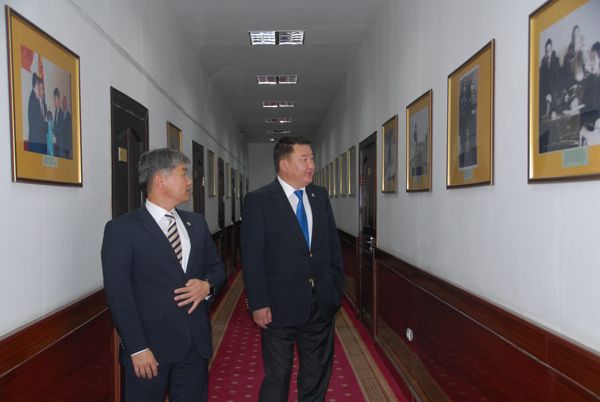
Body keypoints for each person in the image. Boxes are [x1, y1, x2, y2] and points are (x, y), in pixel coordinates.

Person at [101, 148, 225, 402]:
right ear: (160, 179)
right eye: (183, 174)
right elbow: (119, 294)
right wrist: (137, 348)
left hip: (195, 344)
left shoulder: (196, 224)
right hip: (149, 350)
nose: (190, 182)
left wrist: (207, 286)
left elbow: (216, 268)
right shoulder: (122, 230)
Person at [241, 136, 345, 402]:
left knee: (316, 376)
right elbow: (252, 257)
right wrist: (258, 303)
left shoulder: (319, 196)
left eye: (312, 158)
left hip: (320, 304)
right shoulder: (259, 200)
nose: (311, 165)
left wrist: (335, 290)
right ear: (284, 164)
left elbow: (332, 247)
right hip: (278, 307)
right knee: (278, 377)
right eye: (304, 159)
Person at [539, 38, 562, 118]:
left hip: (554, 90)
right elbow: (542, 81)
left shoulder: (556, 60)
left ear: (551, 49)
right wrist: (546, 94)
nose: (548, 52)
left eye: (549, 50)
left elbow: (557, 80)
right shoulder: (543, 62)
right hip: (546, 92)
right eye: (546, 50)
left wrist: (551, 94)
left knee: (554, 102)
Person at [27, 73, 47, 153]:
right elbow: (38, 123)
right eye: (39, 87)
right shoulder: (33, 99)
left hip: (41, 141)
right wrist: (46, 123)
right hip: (35, 141)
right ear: (36, 85)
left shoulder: (37, 99)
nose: (41, 90)